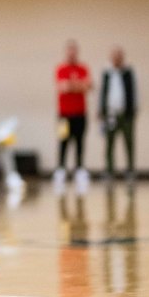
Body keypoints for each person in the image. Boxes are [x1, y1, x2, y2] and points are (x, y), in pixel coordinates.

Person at [54, 40, 91, 192]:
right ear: (66, 52)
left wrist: (73, 85)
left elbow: (87, 86)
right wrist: (76, 84)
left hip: (80, 113)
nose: (72, 53)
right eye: (69, 51)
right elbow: (61, 87)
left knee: (80, 142)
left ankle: (80, 170)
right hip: (63, 115)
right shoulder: (61, 69)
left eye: (74, 51)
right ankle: (61, 171)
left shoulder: (83, 68)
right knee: (63, 142)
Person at [100, 45, 137, 181]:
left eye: (119, 56)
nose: (116, 59)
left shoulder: (129, 73)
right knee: (109, 144)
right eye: (114, 56)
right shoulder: (107, 73)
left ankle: (130, 170)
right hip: (111, 114)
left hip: (126, 114)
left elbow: (135, 92)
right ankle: (109, 171)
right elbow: (102, 93)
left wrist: (133, 110)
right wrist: (101, 110)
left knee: (129, 143)